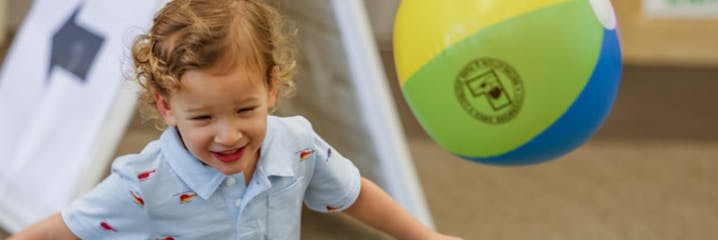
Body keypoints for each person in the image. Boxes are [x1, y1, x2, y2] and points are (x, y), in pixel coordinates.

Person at [10, 0, 461, 239]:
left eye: (245, 109)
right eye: (202, 116)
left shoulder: (297, 145)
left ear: (271, 86)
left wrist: (424, 237)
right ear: (166, 107)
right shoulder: (144, 181)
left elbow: (353, 192)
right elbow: (58, 230)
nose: (229, 134)